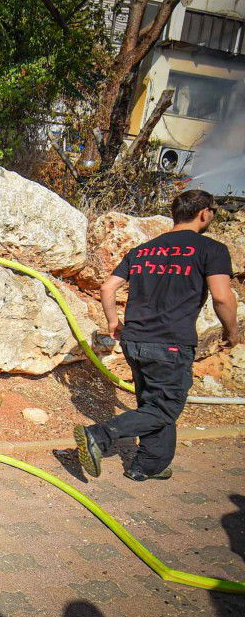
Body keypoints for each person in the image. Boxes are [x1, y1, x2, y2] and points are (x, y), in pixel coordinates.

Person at [74, 189, 239, 482]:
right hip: (171, 343)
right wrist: (232, 333)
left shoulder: (143, 250)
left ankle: (148, 465)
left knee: (152, 404)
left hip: (135, 340)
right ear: (204, 213)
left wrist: (114, 322)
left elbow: (108, 288)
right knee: (164, 408)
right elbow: (223, 298)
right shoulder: (211, 250)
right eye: (213, 210)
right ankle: (99, 435)